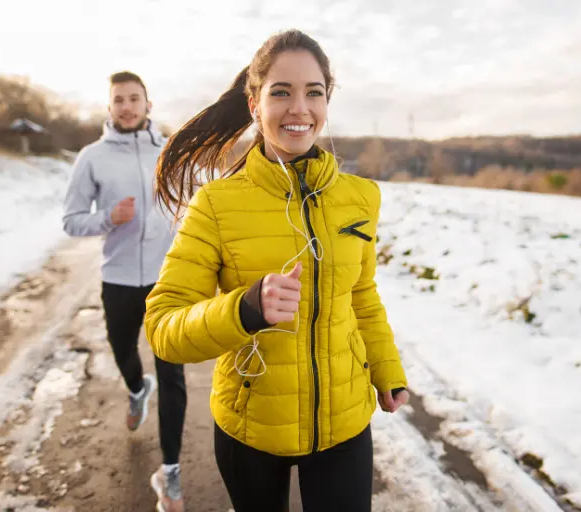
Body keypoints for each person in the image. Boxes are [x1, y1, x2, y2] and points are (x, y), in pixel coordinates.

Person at [143, 29, 410, 512]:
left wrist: (387, 369)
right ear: (254, 103)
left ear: (328, 101)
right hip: (251, 427)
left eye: (314, 92)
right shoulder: (216, 205)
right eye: (281, 92)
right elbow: (163, 327)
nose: (299, 108)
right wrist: (244, 309)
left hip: (344, 423)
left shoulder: (361, 197)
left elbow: (362, 295)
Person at [62, 71, 186, 512]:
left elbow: (189, 203)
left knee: (174, 375)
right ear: (110, 107)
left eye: (135, 98)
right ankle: (136, 389)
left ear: (148, 105)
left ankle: (170, 473)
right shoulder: (91, 158)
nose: (128, 106)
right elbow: (72, 219)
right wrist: (108, 218)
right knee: (123, 352)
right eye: (120, 100)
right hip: (117, 278)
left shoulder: (170, 152)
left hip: (166, 280)